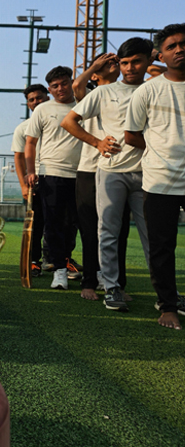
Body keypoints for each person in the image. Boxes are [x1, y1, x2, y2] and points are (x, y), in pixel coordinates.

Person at [62, 40, 152, 309]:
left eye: (136, 61)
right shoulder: (101, 92)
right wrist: (97, 142)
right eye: (123, 62)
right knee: (103, 231)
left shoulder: (154, 88)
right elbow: (69, 117)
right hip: (106, 170)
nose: (128, 67)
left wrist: (158, 57)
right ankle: (103, 285)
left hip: (148, 173)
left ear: (147, 61)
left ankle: (162, 293)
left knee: (149, 234)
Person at [125, 23, 185, 330]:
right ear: (159, 55)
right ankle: (168, 306)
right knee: (162, 248)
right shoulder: (147, 91)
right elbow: (131, 134)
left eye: (183, 44)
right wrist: (160, 151)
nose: (179, 49)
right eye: (171, 46)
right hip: (160, 181)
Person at [25, 66, 80, 290]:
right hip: (51, 175)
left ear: (72, 83)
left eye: (64, 83)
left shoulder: (84, 103)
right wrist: (31, 171)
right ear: (50, 89)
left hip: (84, 174)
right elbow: (30, 143)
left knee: (77, 225)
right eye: (55, 86)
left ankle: (92, 271)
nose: (60, 88)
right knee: (53, 224)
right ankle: (59, 270)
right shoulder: (42, 110)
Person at [11, 84, 49, 277]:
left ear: (47, 97)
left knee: (65, 223)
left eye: (39, 97)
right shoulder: (23, 128)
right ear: (28, 104)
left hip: (61, 176)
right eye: (31, 100)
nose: (36, 102)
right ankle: (34, 261)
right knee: (36, 223)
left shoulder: (61, 120)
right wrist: (23, 185)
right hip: (36, 181)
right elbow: (18, 157)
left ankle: (61, 260)